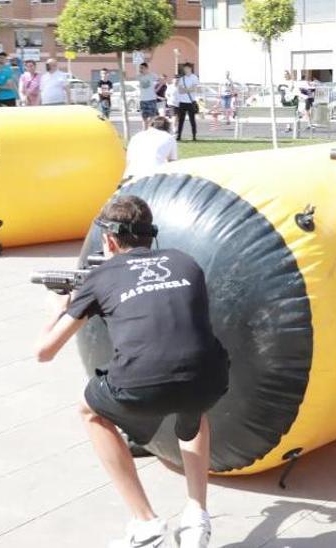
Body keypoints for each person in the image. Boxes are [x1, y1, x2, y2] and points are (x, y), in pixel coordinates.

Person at [36, 195, 228, 548]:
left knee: (89, 411)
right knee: (192, 403)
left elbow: (44, 352)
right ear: (149, 235)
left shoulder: (101, 276)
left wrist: (59, 306)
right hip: (210, 376)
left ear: (109, 241)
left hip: (143, 384)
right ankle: (196, 515)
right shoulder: (186, 262)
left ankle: (146, 521)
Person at [173, 63, 199, 141]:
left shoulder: (194, 77)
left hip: (191, 101)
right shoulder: (182, 78)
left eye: (187, 68)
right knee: (181, 120)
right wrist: (187, 89)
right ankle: (179, 136)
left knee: (192, 120)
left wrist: (185, 89)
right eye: (184, 69)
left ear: (190, 68)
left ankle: (194, 136)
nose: (185, 70)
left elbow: (193, 89)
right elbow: (180, 91)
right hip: (182, 101)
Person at [136, 62, 159, 129]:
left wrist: (156, 91)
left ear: (146, 68)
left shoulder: (152, 75)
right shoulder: (138, 76)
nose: (140, 69)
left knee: (153, 116)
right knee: (144, 117)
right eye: (140, 68)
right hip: (142, 99)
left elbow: (160, 81)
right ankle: (144, 131)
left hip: (151, 99)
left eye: (142, 68)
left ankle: (148, 126)